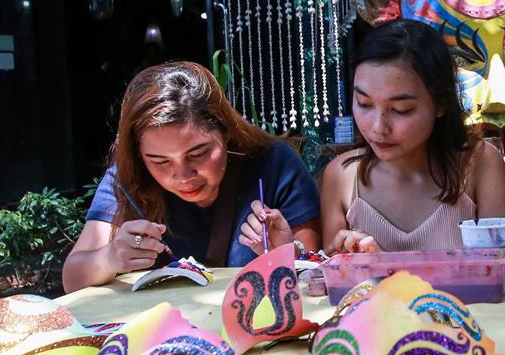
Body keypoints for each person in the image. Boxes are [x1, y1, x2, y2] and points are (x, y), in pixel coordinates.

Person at [63, 61, 321, 293]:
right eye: (160, 161)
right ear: (140, 156)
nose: (183, 175)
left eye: (198, 153)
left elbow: (313, 278)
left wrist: (285, 253)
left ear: (226, 131)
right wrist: (109, 258)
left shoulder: (275, 165)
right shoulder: (129, 177)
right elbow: (72, 278)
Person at [319, 19, 505, 254]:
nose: (378, 126)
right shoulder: (341, 176)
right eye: (364, 104)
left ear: (440, 103)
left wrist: (387, 268)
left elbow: (502, 276)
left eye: (401, 110)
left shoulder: (480, 163)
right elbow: (334, 282)